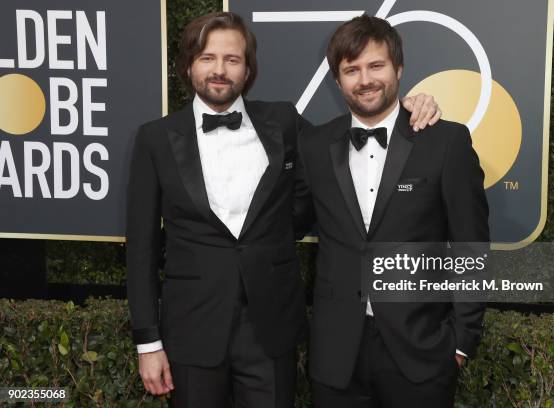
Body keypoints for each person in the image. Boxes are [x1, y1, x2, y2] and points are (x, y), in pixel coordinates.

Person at [127, 11, 441, 408]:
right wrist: (147, 342)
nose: (219, 70)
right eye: (207, 58)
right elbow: (140, 250)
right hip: (191, 333)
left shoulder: (284, 122)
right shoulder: (154, 139)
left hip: (270, 332)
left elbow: (355, 142)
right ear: (189, 65)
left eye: (232, 59)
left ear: (248, 69)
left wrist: (413, 105)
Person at [298, 15, 490, 408]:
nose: (365, 79)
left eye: (376, 65)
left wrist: (461, 340)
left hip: (422, 353)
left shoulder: (445, 142)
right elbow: (286, 219)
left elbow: (472, 246)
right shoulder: (314, 146)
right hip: (336, 358)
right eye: (351, 70)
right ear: (338, 80)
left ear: (399, 70)